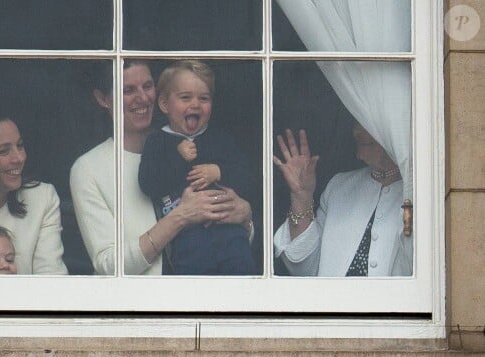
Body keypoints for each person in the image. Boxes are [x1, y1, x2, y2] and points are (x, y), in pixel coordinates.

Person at [70, 60, 254, 276]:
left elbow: (236, 243)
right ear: (103, 99)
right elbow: (109, 265)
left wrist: (245, 217)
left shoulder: (190, 140)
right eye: (128, 90)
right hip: (141, 304)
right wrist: (181, 217)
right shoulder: (89, 168)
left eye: (147, 86)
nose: (142, 98)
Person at [138, 60, 256, 275]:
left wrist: (219, 171)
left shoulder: (220, 138)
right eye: (185, 97)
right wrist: (177, 157)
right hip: (187, 236)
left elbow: (248, 176)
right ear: (164, 104)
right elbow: (148, 183)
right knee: (192, 290)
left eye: (204, 98)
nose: (195, 104)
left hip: (230, 231)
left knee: (242, 279)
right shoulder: (158, 141)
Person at [273, 124, 413, 277]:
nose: (359, 155)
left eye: (366, 143)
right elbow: (304, 269)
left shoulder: (420, 191)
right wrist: (301, 198)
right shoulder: (340, 186)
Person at [0, 115, 69, 275]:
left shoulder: (42, 197)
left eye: (20, 145)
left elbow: (51, 279)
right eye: (4, 151)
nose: (19, 158)